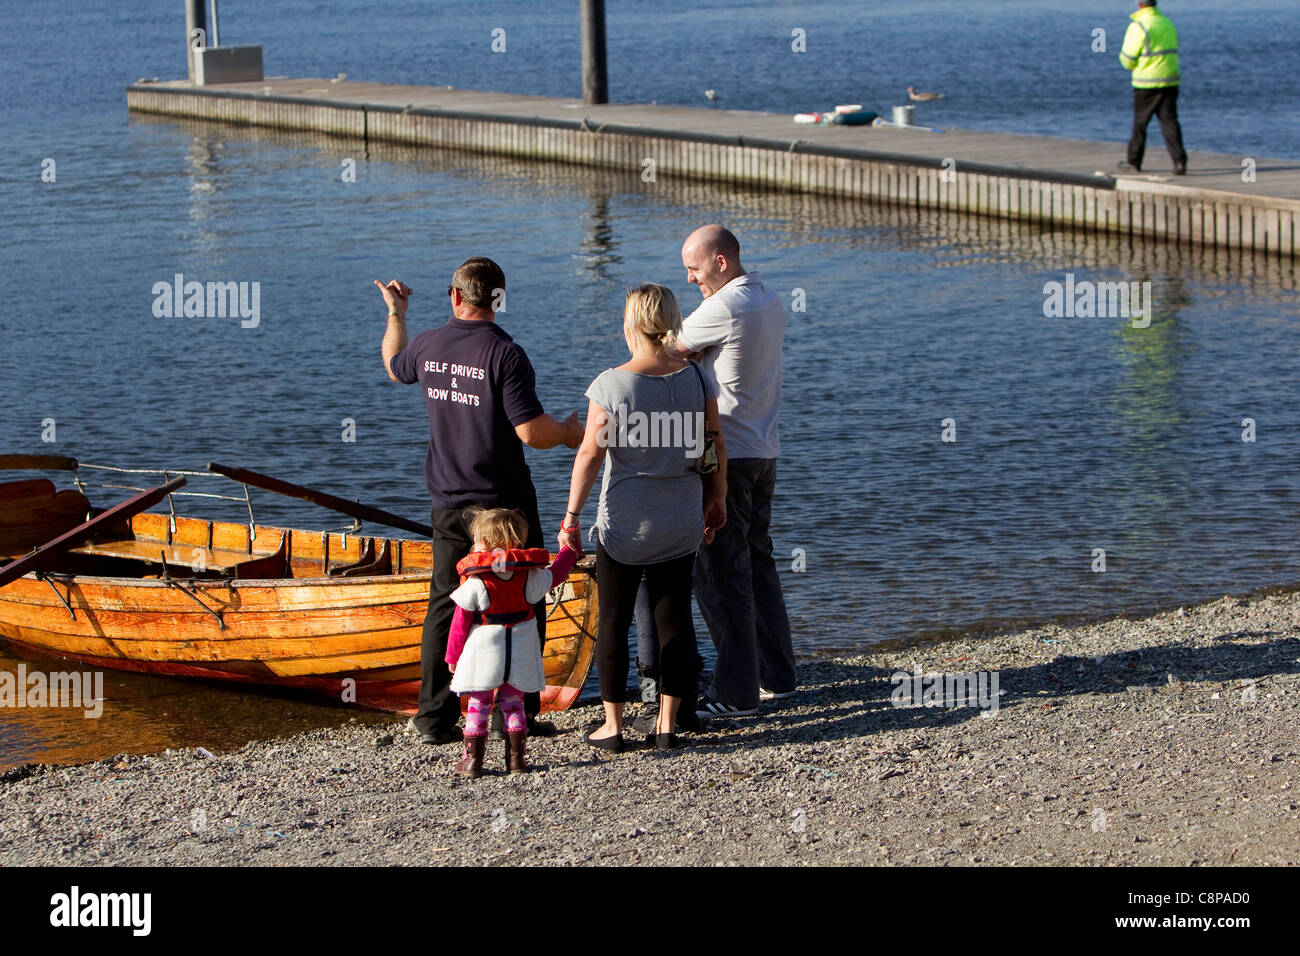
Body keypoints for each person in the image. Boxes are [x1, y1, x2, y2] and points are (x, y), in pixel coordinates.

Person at [377, 257, 582, 745]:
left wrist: (397, 314)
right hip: (504, 505)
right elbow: (532, 432)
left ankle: (433, 717)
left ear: (454, 297)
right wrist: (572, 432)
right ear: (499, 300)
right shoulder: (506, 354)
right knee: (524, 599)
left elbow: (391, 365)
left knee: (447, 604)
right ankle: (520, 712)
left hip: (449, 499)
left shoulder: (426, 345)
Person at [560, 284, 726, 751]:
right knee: (675, 619)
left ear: (631, 323)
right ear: (671, 321)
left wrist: (571, 516)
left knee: (613, 622)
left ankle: (612, 727)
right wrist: (718, 496)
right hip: (681, 519)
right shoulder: (697, 379)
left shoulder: (611, 385)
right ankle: (667, 724)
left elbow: (591, 455)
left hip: (625, 525)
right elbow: (713, 444)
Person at [662, 225, 798, 720]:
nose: (690, 278)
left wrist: (690, 352)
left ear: (721, 261)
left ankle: (734, 690)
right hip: (764, 450)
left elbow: (665, 353)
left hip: (729, 455)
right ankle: (777, 677)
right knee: (759, 565)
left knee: (719, 575)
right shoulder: (769, 298)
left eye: (694, 268)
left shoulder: (726, 306)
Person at [446, 508, 579, 777]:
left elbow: (460, 622)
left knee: (478, 703)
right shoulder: (529, 575)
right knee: (514, 703)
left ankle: (472, 761)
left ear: (484, 543)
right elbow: (557, 574)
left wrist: (452, 657)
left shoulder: (477, 579)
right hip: (519, 647)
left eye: (478, 539)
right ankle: (516, 760)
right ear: (517, 541)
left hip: (484, 649)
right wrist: (570, 551)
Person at [1117, 0, 1186, 175]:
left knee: (1140, 122)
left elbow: (1127, 57)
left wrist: (1133, 65)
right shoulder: (1166, 22)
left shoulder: (1138, 26)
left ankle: (1133, 162)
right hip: (1170, 80)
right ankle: (1179, 162)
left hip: (1146, 82)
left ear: (1139, 5)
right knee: (1169, 121)